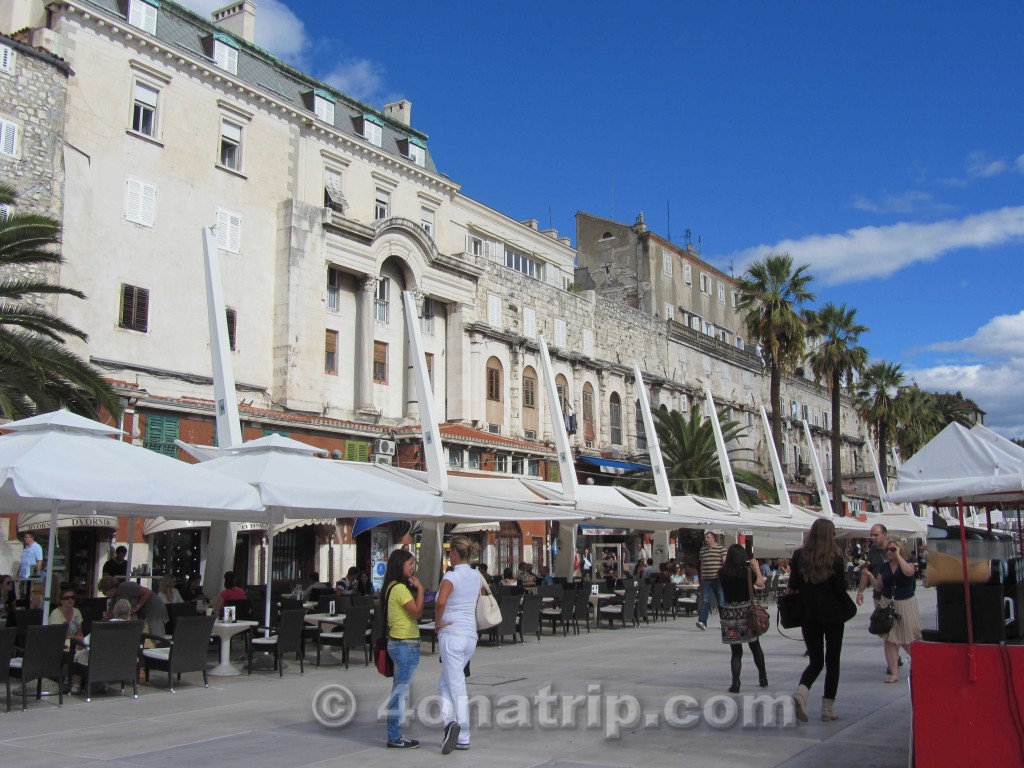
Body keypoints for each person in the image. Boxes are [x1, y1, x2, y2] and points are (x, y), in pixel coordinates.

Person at [789, 518, 848, 723]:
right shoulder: (836, 558)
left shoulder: (799, 556)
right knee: (833, 661)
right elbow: (840, 589)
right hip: (832, 615)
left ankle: (801, 693)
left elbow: (793, 583)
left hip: (808, 614)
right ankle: (827, 709)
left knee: (816, 660)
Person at [435, 535, 481, 753]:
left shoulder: (451, 577)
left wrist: (437, 622)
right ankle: (450, 723)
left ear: (453, 552)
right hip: (470, 634)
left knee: (456, 685)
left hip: (452, 634)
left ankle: (461, 732)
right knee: (446, 683)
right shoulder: (476, 575)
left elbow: (441, 601)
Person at [381, 548, 423, 749]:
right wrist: (421, 590)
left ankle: (394, 734)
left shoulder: (390, 586)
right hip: (404, 642)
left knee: (400, 689)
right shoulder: (399, 589)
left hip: (399, 642)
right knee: (400, 691)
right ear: (400, 565)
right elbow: (416, 613)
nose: (412, 568)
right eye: (410, 565)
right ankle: (394, 736)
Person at [869, 538, 922, 683]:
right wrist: (870, 578)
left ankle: (922, 663)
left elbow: (908, 572)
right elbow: (879, 586)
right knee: (889, 639)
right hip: (887, 602)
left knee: (907, 637)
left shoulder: (908, 564)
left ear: (900, 550)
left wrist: (898, 557)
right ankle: (894, 673)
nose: (889, 552)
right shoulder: (884, 567)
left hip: (905, 603)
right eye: (888, 550)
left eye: (893, 549)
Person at [717, 544, 768, 693]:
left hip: (730, 613)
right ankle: (763, 677)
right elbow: (760, 583)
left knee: (736, 651)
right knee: (755, 646)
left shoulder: (722, 573)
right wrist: (756, 567)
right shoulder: (747, 573)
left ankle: (736, 682)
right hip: (746, 613)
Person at [856, 524, 898, 671]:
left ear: (885, 534)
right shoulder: (872, 551)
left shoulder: (894, 548)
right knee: (884, 628)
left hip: (895, 594)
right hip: (878, 594)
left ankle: (893, 661)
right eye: (871, 535)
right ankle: (894, 658)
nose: (873, 538)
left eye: (876, 535)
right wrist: (860, 591)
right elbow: (866, 572)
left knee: (894, 629)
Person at [98, 575, 168, 638]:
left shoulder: (127, 586)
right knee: (145, 634)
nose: (105, 595)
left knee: (156, 634)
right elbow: (110, 612)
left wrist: (137, 607)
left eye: (104, 592)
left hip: (154, 609)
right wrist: (102, 623)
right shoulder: (115, 597)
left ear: (111, 589)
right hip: (143, 612)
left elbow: (147, 592)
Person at [696, 531, 727, 631]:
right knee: (705, 601)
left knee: (721, 601)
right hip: (706, 579)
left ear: (713, 538)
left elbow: (725, 563)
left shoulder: (721, 549)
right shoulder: (702, 550)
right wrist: (701, 577)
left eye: (707, 537)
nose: (706, 539)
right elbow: (702, 564)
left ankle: (724, 622)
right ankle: (702, 622)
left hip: (718, 579)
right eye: (705, 538)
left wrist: (724, 575)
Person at [17, 532, 44, 599]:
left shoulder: (37, 547)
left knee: (28, 592)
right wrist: (18, 573)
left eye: (26, 537)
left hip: (30, 575)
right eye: (25, 537)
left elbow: (39, 561)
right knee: (21, 591)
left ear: (32, 538)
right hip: (22, 575)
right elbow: (23, 561)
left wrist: (36, 575)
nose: (24, 538)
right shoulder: (26, 548)